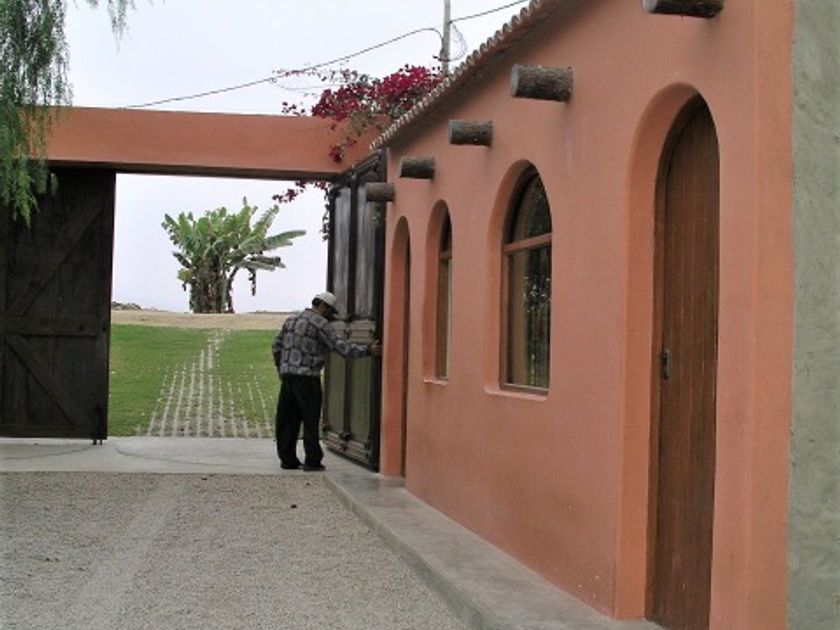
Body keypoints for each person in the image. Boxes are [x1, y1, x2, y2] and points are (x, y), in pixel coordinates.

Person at [272, 291, 381, 471]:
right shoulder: (320, 324)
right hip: (308, 378)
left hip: (288, 377)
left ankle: (287, 459)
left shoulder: (292, 319)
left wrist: (281, 367)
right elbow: (341, 347)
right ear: (324, 306)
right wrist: (368, 350)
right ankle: (312, 460)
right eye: (330, 312)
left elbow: (276, 345)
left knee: (287, 420)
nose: (330, 317)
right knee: (310, 419)